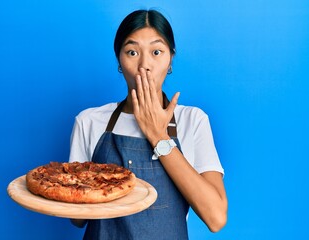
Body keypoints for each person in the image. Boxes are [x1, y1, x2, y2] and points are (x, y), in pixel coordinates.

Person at [69, 9, 227, 239]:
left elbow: (216, 217)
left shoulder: (193, 121)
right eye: (132, 52)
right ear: (119, 61)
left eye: (156, 51)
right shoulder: (89, 122)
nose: (145, 65)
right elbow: (77, 219)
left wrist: (158, 136)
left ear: (170, 59)